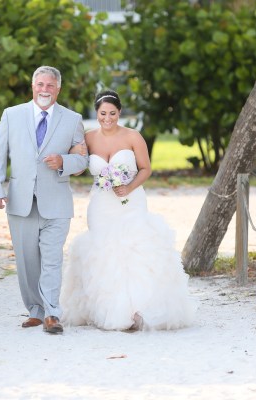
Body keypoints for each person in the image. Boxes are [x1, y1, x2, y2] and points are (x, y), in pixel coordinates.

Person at [60, 90, 197, 331]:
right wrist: (72, 153)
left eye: (112, 113)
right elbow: (78, 167)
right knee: (104, 252)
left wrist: (129, 187)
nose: (108, 118)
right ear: (97, 113)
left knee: (134, 251)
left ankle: (138, 309)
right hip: (101, 205)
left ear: (119, 112)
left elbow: (146, 169)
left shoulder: (133, 136)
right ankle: (109, 308)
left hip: (131, 202)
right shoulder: (88, 138)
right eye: (103, 113)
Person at [0, 66, 88, 334]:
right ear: (33, 87)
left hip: (56, 202)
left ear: (58, 89)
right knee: (27, 261)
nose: (45, 90)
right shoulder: (11, 115)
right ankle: (35, 310)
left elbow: (83, 159)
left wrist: (64, 161)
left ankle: (52, 313)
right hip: (20, 201)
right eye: (40, 84)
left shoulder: (72, 119)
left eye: (50, 85)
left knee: (52, 259)